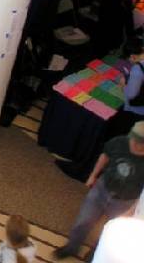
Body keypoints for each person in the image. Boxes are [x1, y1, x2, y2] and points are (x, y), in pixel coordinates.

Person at [53, 122, 144, 259]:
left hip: (124, 202)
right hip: (101, 190)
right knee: (83, 221)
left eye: (137, 142)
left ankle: (96, 253)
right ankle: (72, 247)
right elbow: (105, 156)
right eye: (132, 138)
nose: (132, 143)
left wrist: (135, 207)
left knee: (110, 232)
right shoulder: (119, 142)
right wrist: (93, 175)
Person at [105, 39, 144, 138]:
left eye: (128, 59)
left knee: (124, 125)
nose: (129, 62)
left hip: (138, 109)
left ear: (132, 56)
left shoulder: (137, 70)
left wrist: (123, 85)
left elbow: (131, 94)